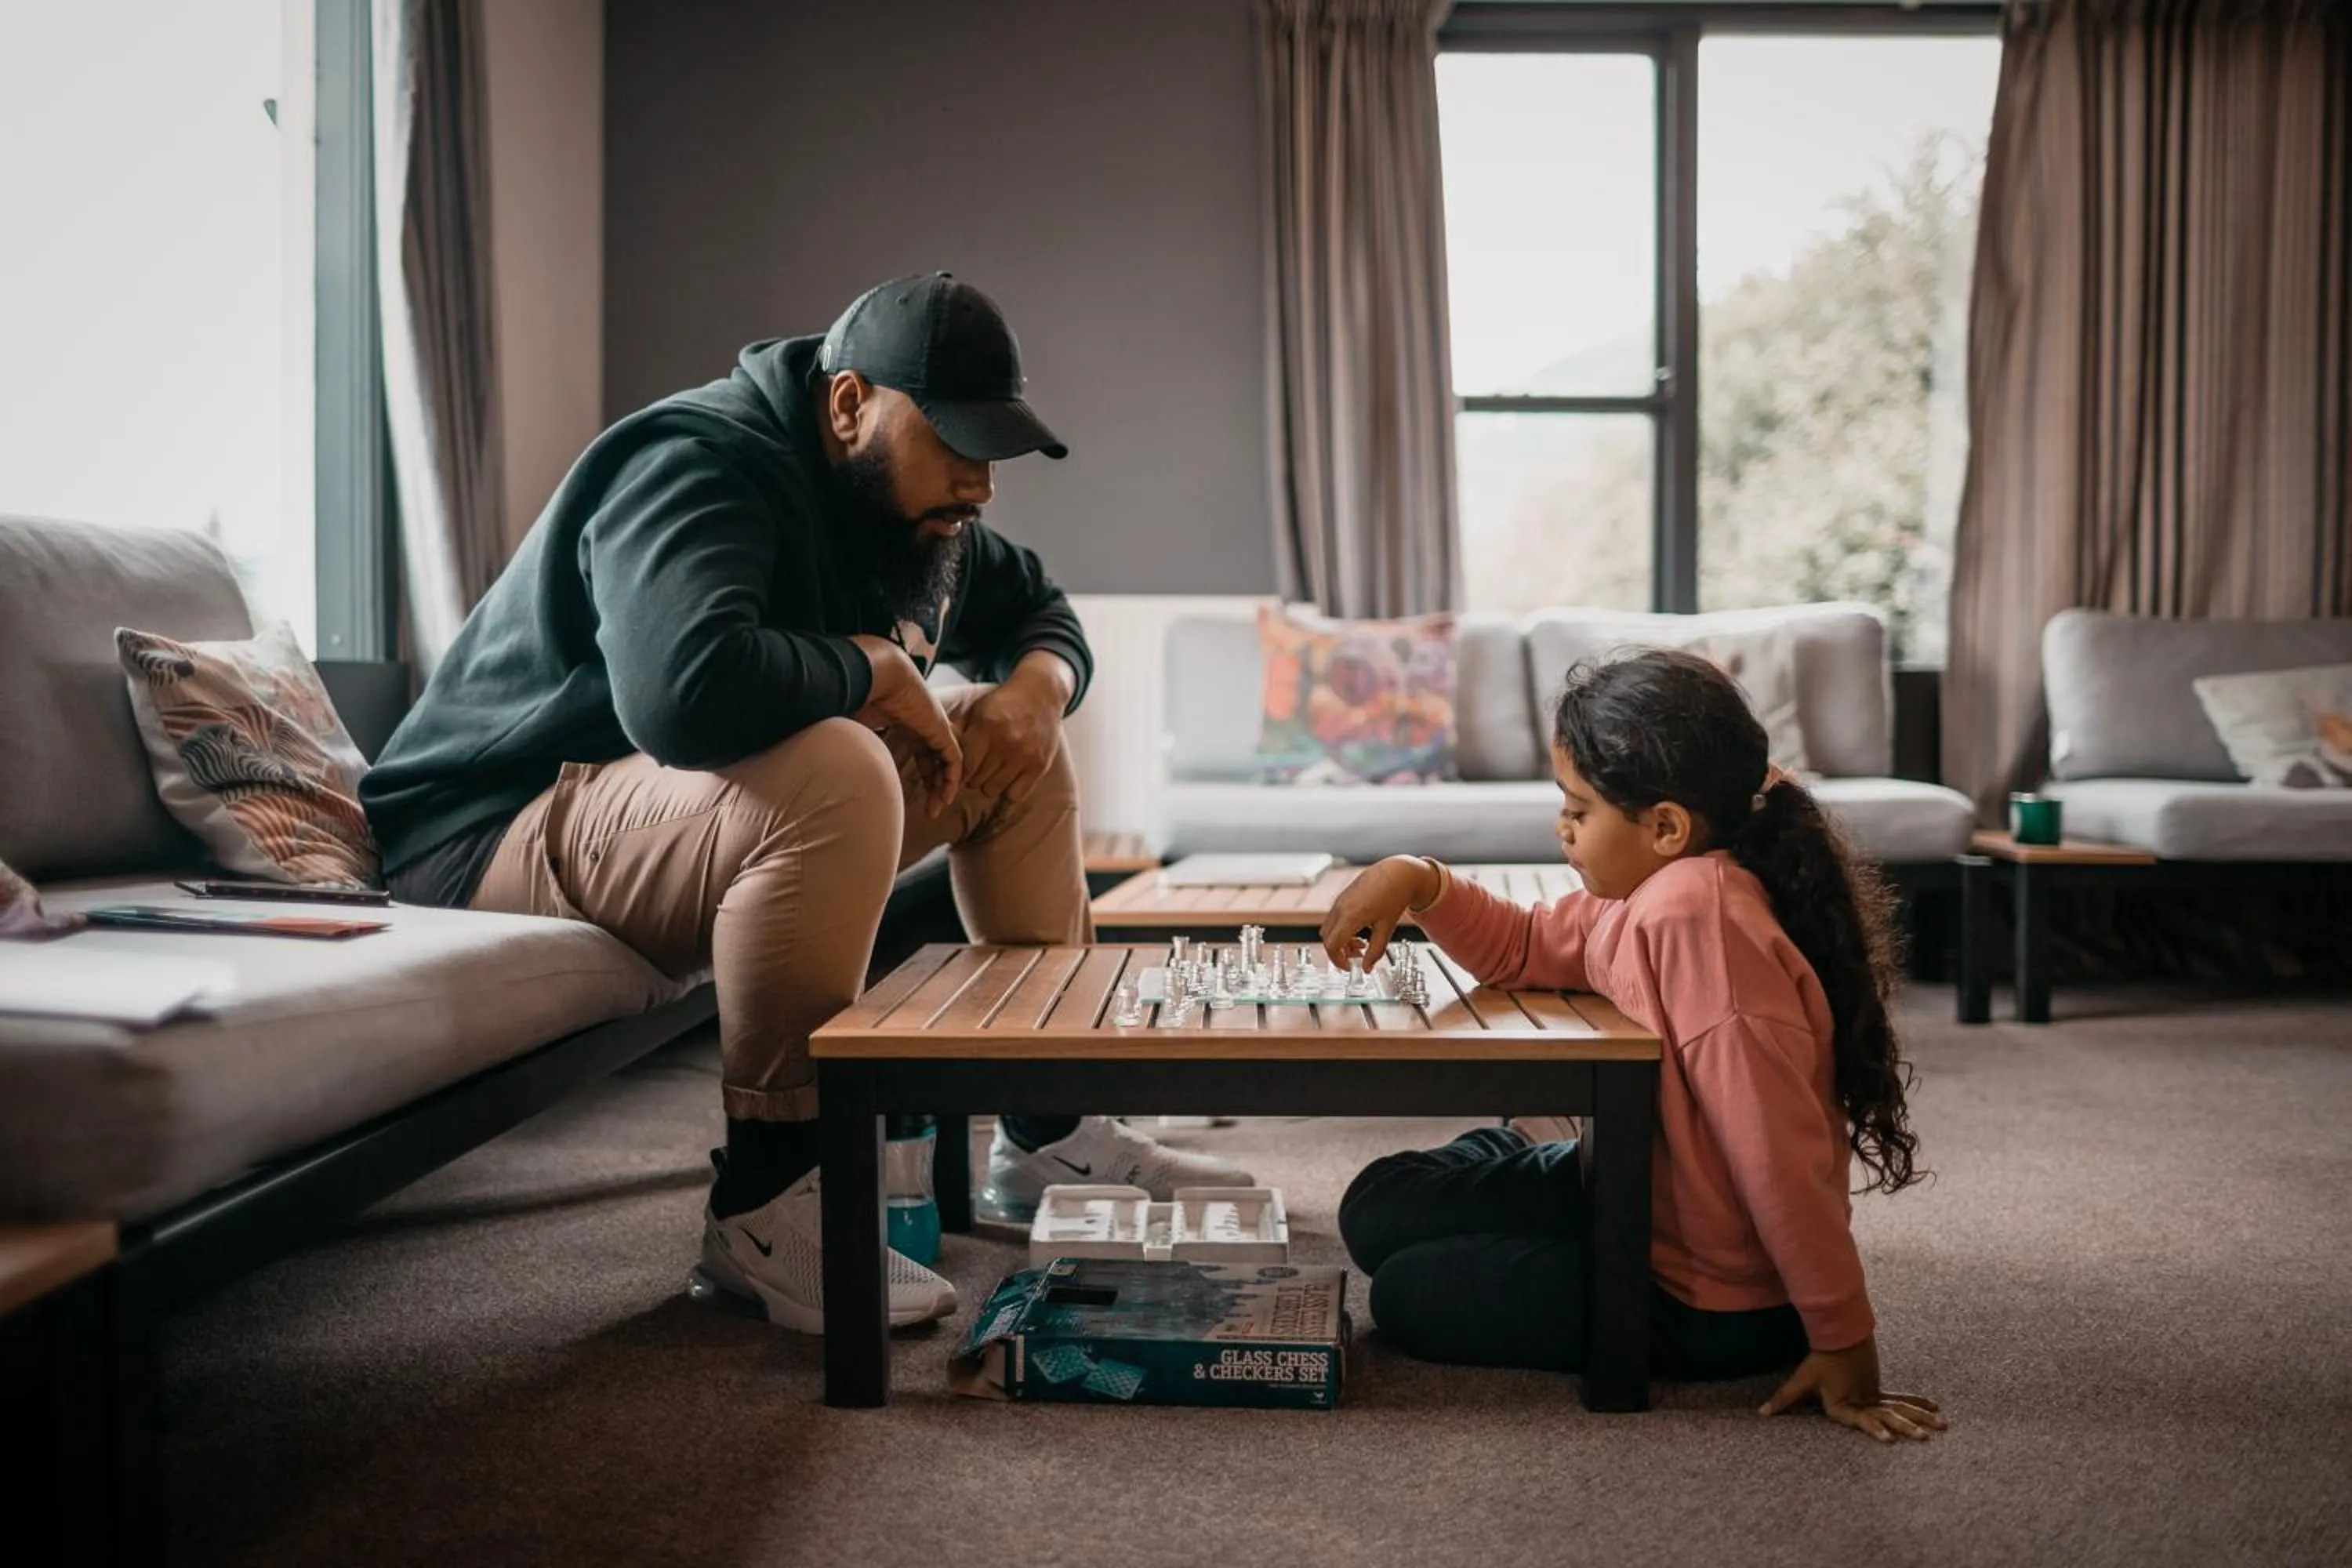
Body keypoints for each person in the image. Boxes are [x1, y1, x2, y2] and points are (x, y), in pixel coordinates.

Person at [358, 274, 1247, 1336]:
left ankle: (1049, 1128)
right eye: (956, 440)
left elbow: (1038, 611)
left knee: (1008, 741)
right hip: (487, 836)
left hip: (655, 823)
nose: (982, 481)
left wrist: (1038, 691)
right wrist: (872, 664)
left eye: (996, 450)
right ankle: (766, 1202)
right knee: (840, 765)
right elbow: (682, 697)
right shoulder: (695, 463)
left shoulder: (918, 513)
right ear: (847, 405)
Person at [1319, 648, 1945, 1443]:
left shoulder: (1699, 918)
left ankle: (1534, 1188)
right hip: (1622, 1185)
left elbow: (1776, 1155)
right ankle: (1532, 1170)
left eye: (1579, 811)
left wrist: (1844, 1339)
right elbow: (1525, 946)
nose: (1562, 827)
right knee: (1376, 1204)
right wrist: (1420, 881)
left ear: (1666, 826)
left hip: (1708, 1298)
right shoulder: (1645, 886)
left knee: (1405, 1292)